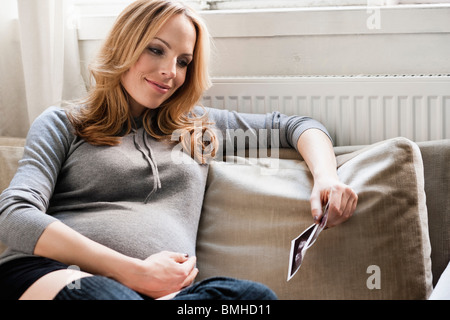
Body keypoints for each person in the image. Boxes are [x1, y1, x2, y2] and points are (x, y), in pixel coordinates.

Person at [0, 0, 357, 300]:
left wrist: (326, 178)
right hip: (57, 275)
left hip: (166, 294)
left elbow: (296, 126)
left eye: (183, 61)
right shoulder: (65, 122)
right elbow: (14, 215)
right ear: (125, 44)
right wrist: (133, 272)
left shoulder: (198, 128)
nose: (170, 72)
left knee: (251, 300)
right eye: (156, 49)